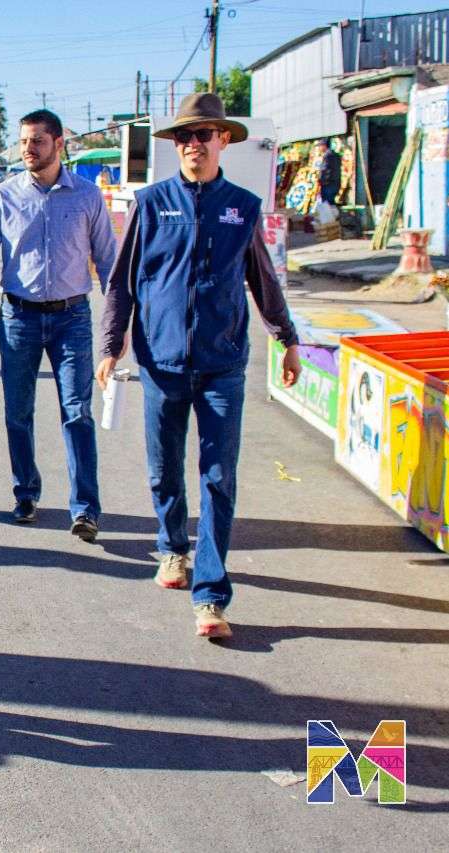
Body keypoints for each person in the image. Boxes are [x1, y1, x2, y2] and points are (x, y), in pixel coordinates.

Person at [96, 93, 301, 640]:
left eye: (203, 135)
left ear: (223, 140)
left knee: (218, 477)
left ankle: (210, 595)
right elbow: (122, 281)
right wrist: (109, 344)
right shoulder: (151, 202)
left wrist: (288, 339)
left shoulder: (242, 206)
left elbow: (262, 279)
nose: (193, 144)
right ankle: (171, 549)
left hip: (223, 364)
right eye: (185, 136)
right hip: (161, 361)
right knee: (164, 469)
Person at [0, 109, 116, 538]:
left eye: (37, 142)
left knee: (77, 412)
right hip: (19, 318)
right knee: (18, 412)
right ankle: (26, 493)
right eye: (24, 142)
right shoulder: (5, 196)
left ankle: (85, 508)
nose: (28, 150)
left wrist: (119, 327)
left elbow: (108, 260)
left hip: (72, 318)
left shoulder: (86, 196)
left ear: (58, 143)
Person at [316, 139, 342, 208]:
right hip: (336, 183)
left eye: (320, 146)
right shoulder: (336, 155)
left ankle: (329, 218)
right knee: (331, 203)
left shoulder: (327, 155)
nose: (319, 148)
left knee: (327, 204)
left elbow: (324, 170)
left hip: (328, 185)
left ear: (324, 146)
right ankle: (334, 217)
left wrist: (320, 180)